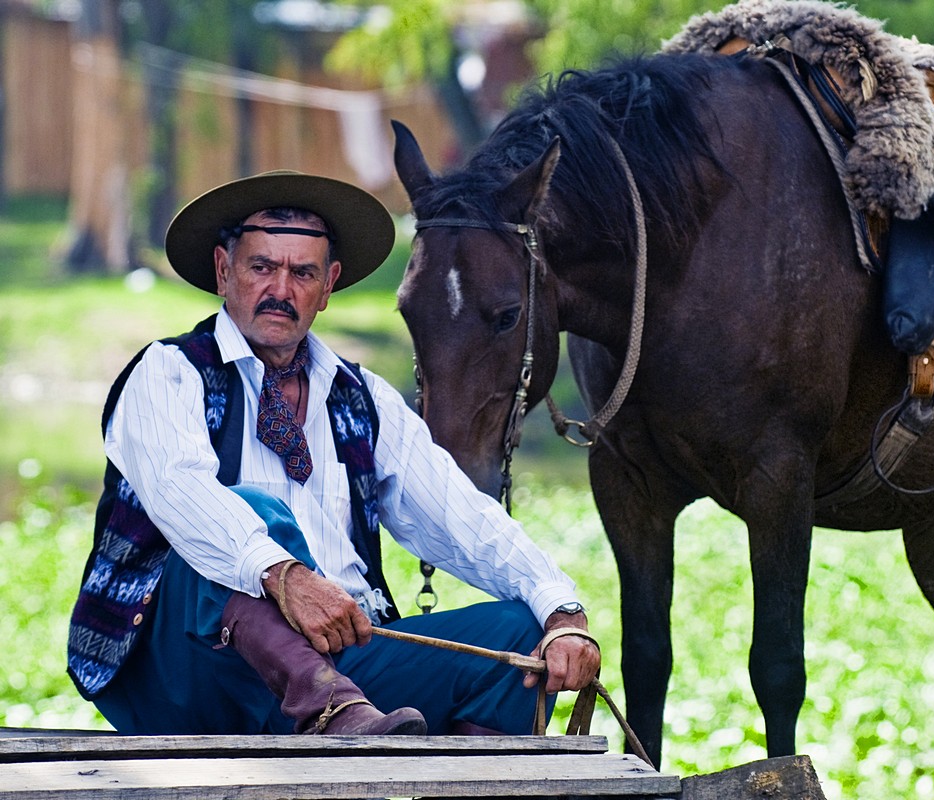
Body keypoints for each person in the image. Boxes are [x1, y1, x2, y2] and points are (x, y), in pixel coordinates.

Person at [67, 170, 600, 737]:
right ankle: (332, 711)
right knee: (249, 516)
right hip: (197, 673)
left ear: (328, 286)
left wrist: (559, 608)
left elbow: (459, 514)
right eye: (261, 267)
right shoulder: (170, 373)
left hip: (346, 666)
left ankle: (462, 771)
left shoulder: (363, 398)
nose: (281, 290)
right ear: (224, 271)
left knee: (520, 633)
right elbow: (182, 495)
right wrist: (284, 576)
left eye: (303, 273)